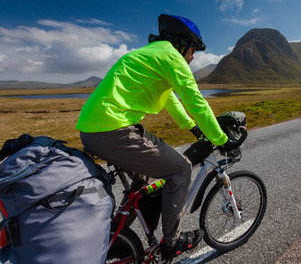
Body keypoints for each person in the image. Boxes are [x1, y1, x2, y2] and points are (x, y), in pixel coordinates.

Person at [76, 14, 233, 260]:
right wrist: (223, 139)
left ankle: (115, 237)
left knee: (148, 182)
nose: (192, 58)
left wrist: (191, 127)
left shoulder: (151, 54)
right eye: (193, 51)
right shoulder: (172, 56)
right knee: (181, 169)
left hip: (93, 130)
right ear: (183, 44)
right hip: (114, 129)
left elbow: (170, 98)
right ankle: (172, 242)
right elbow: (196, 102)